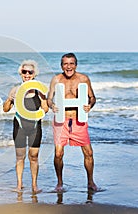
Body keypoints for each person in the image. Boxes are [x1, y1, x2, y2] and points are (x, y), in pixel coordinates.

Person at [47, 53, 99, 192]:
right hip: (60, 120)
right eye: (65, 64)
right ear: (61, 65)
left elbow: (92, 97)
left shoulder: (83, 79)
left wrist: (90, 105)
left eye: (71, 63)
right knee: (58, 153)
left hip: (78, 120)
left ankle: (90, 182)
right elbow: (49, 98)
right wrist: (52, 106)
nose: (68, 66)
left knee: (88, 152)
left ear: (76, 65)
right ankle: (59, 183)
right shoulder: (56, 79)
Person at [3, 60, 49, 193]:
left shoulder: (39, 90)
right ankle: (19, 184)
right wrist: (10, 99)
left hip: (35, 125)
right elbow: (5, 109)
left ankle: (34, 185)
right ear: (20, 73)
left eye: (30, 72)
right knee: (20, 156)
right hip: (20, 125)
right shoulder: (15, 90)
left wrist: (43, 105)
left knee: (34, 156)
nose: (27, 74)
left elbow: (45, 108)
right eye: (24, 72)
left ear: (34, 74)